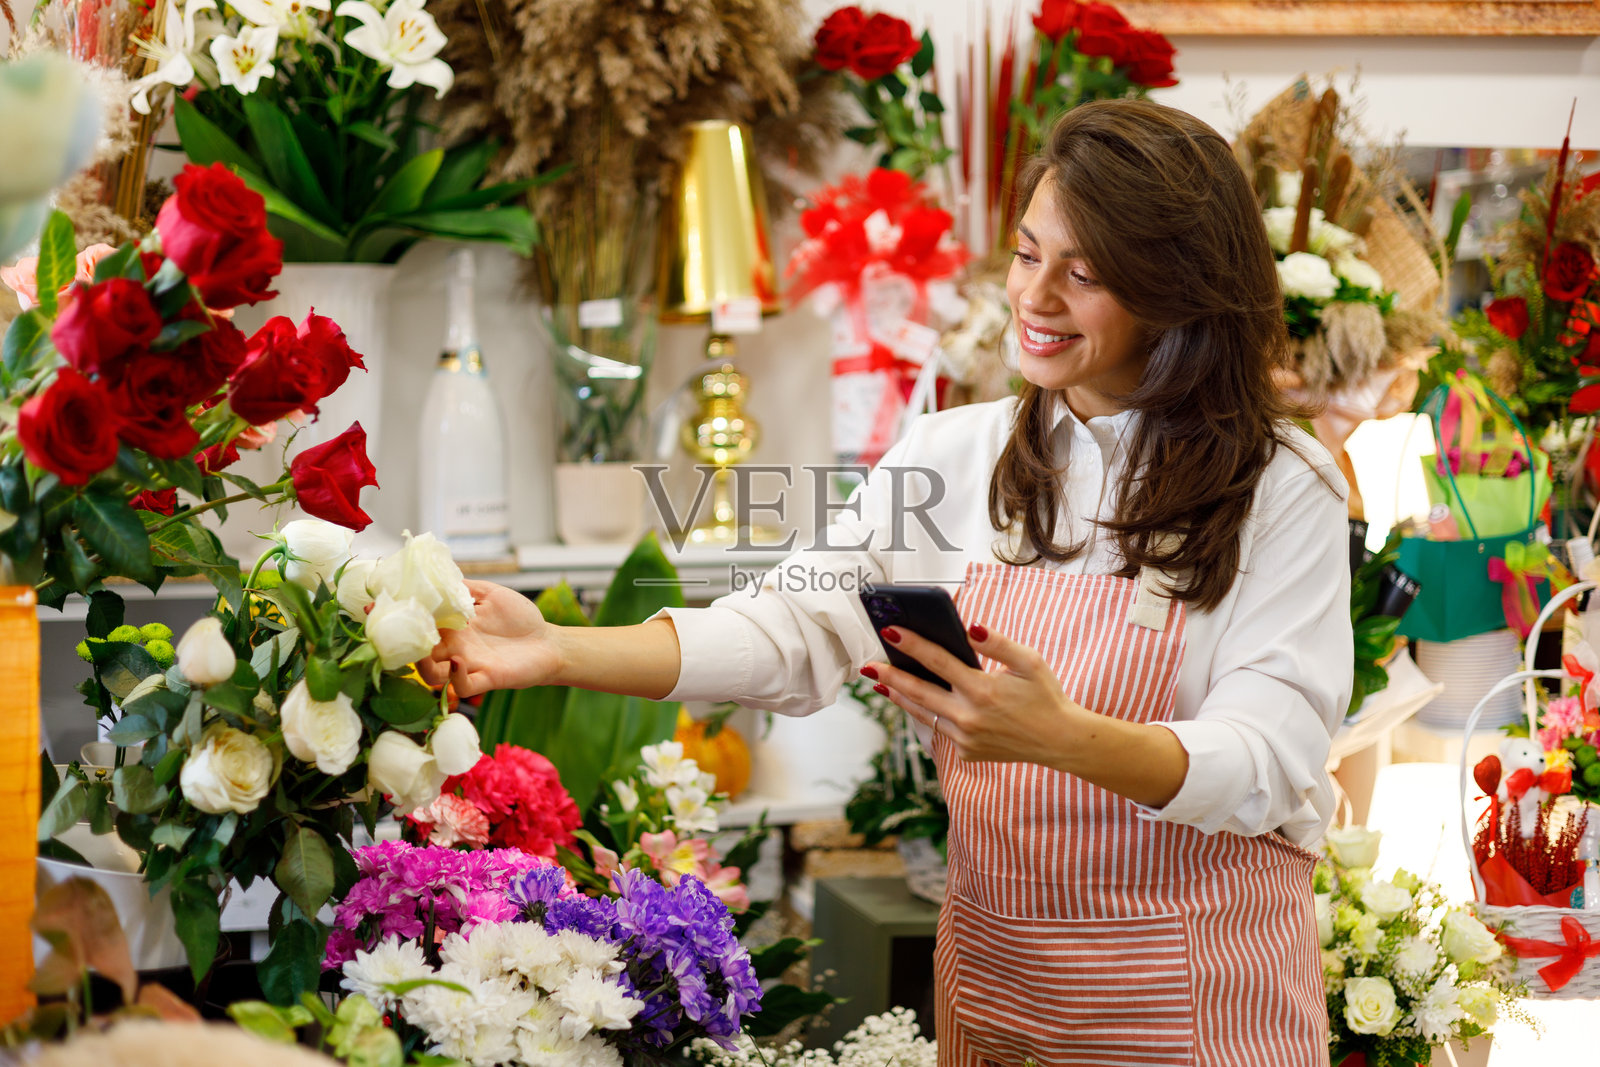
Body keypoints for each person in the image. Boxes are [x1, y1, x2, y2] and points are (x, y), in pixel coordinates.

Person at [421, 99, 1352, 1066]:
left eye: (1086, 274)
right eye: (1030, 255)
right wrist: (558, 649)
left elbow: (1269, 758)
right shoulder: (954, 454)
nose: (1035, 298)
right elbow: (791, 627)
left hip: (1195, 1007)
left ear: (1181, 292)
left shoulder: (1283, 485)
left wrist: (1064, 739)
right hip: (999, 998)